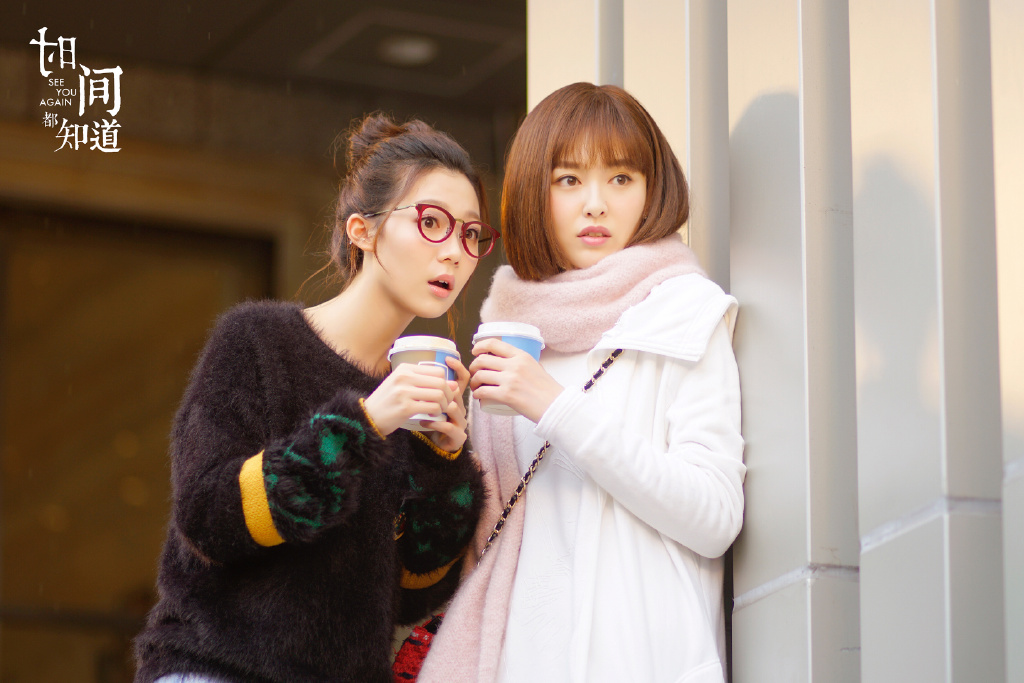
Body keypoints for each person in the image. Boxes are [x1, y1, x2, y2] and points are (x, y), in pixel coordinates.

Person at [133, 113, 497, 683]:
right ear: (362, 231)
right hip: (217, 670)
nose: (455, 250)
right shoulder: (258, 340)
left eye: (471, 234)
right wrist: (363, 426)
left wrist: (443, 464)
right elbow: (208, 519)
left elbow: (413, 593)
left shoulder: (413, 396)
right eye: (432, 222)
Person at [418, 83, 746, 683]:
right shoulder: (509, 335)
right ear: (534, 194)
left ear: (652, 190)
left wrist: (553, 405)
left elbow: (713, 515)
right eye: (568, 180)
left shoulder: (685, 316)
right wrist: (447, 456)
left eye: (621, 178)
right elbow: (483, 542)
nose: (596, 204)